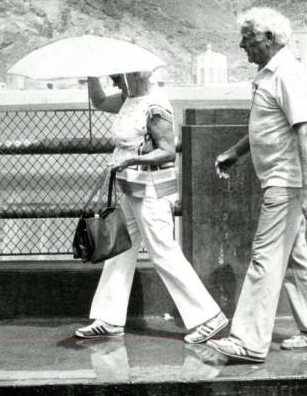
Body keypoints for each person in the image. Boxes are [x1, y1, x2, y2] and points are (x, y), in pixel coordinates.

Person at [206, 7, 307, 364]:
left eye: (247, 39)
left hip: (286, 183)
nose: (241, 45)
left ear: (267, 39)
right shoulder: (271, 74)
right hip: (280, 181)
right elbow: (267, 126)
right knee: (294, 259)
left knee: (265, 257)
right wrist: (236, 152)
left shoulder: (287, 74)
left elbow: (305, 131)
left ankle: (248, 341)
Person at [75, 70, 227, 344]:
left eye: (118, 78)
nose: (115, 83)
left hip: (154, 189)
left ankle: (208, 317)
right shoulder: (129, 100)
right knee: (120, 249)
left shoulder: (155, 106)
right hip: (132, 188)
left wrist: (130, 161)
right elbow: (98, 101)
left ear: (136, 76)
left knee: (162, 251)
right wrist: (90, 75)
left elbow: (167, 151)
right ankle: (109, 318)